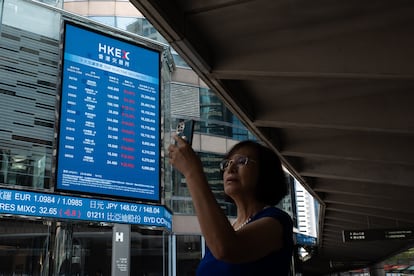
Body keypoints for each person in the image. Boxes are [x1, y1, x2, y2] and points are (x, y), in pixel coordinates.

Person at [168, 137, 293, 275]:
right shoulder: (226, 230)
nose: (230, 169)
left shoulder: (277, 222)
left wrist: (192, 172)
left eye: (241, 161)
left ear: (266, 172)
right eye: (227, 164)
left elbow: (226, 249)